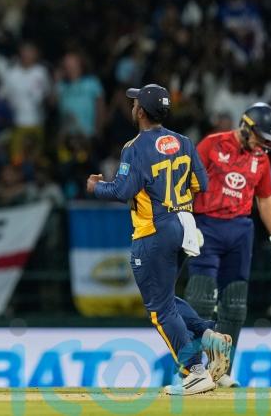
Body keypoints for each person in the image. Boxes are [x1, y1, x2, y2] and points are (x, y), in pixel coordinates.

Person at [86, 84, 232, 395]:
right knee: (166, 298)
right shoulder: (184, 141)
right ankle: (209, 336)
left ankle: (194, 370)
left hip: (153, 231)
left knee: (160, 309)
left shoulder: (135, 147)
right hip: (185, 226)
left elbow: (122, 191)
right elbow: (201, 184)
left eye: (135, 102)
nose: (133, 106)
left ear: (140, 111)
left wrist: (95, 187)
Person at [184, 102, 271, 388]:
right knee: (200, 299)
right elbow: (184, 183)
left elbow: (265, 199)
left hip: (240, 231)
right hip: (207, 226)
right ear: (246, 126)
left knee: (234, 304)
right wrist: (186, 221)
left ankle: (221, 371)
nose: (264, 145)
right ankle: (192, 369)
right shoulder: (212, 144)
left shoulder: (261, 159)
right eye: (261, 138)